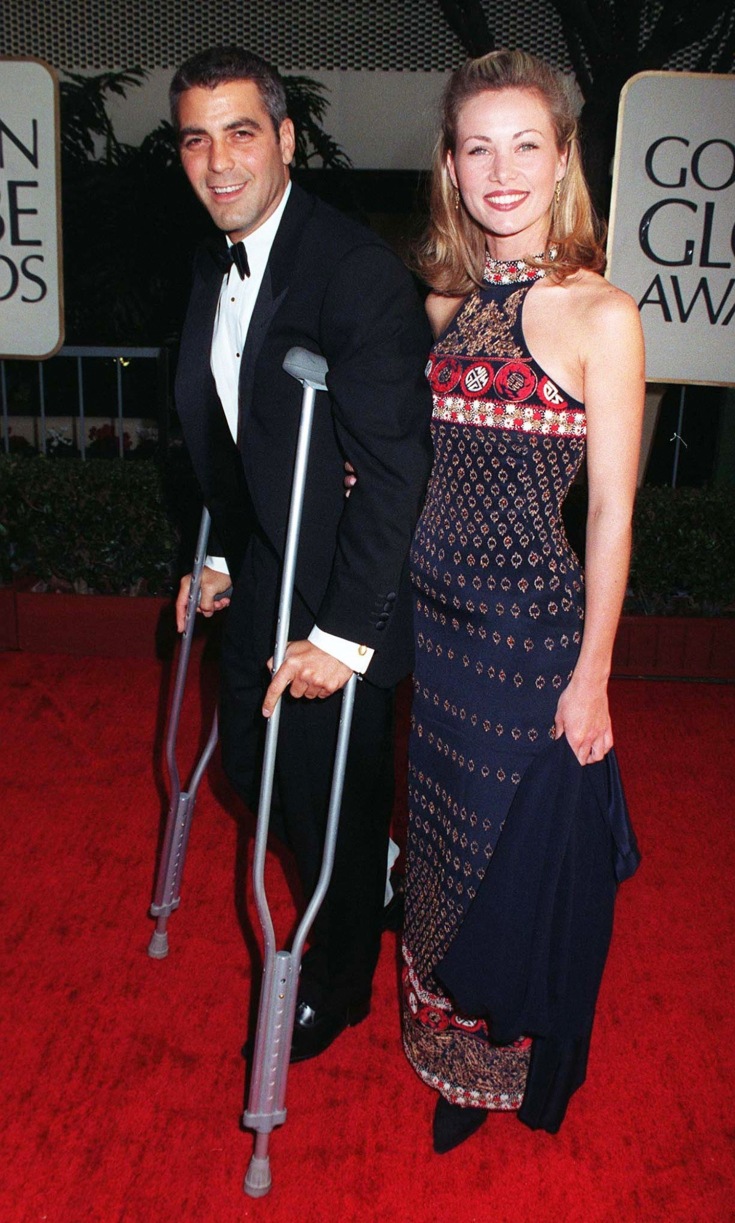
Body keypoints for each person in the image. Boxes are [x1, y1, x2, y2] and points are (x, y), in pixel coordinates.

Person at [400, 50, 645, 1153]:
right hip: (432, 633)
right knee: (441, 844)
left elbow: (609, 515)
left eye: (525, 145)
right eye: (477, 147)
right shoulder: (444, 298)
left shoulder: (602, 313)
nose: (501, 171)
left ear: (561, 162)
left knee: (510, 855)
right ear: (451, 165)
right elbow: (422, 462)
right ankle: (441, 1042)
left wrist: (592, 673)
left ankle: (493, 1069)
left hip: (527, 640)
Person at [170, 46, 432, 1062]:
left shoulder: (355, 273)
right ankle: (377, 867)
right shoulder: (207, 260)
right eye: (197, 137)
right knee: (248, 763)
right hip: (266, 564)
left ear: (284, 139)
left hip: (343, 597)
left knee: (329, 794)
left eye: (241, 132)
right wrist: (231, 556)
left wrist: (339, 638)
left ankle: (339, 979)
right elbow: (230, 427)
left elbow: (395, 468)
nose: (218, 159)